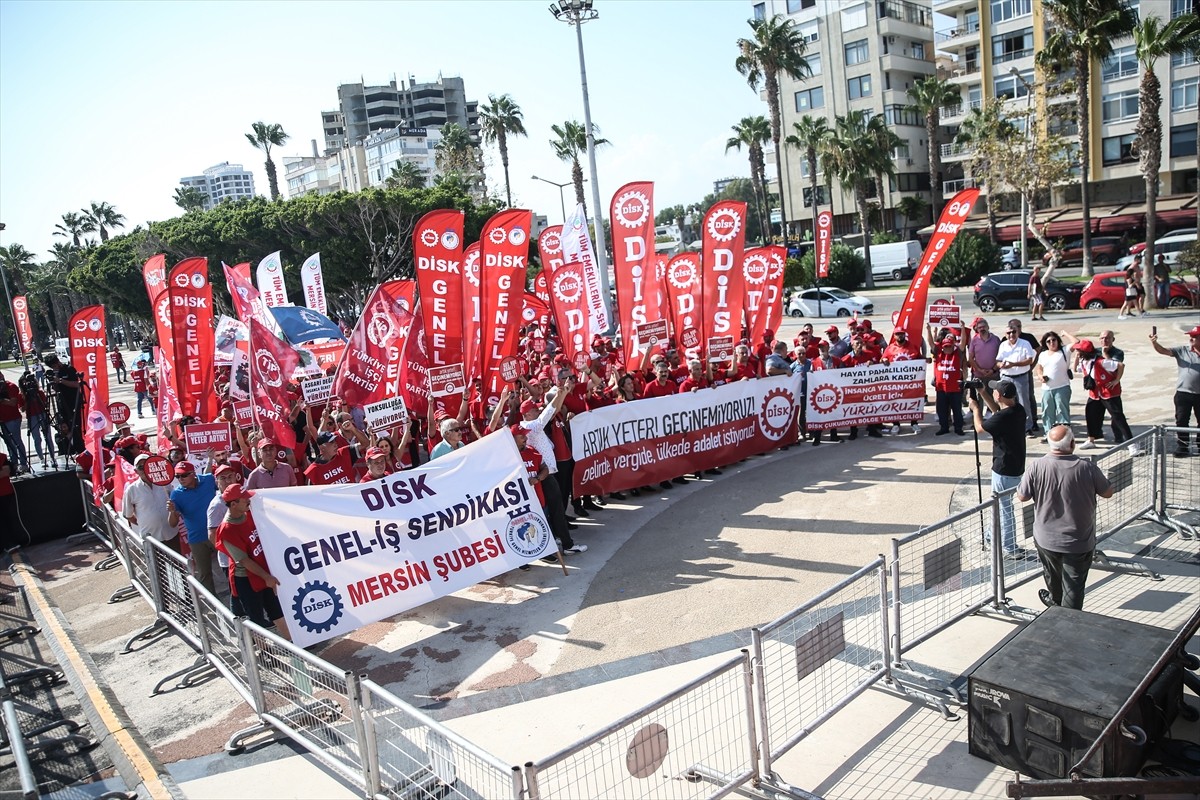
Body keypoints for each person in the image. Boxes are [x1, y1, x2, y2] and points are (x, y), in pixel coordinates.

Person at [1016, 425, 1114, 610]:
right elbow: (1107, 492)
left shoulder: (1036, 466)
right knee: (1074, 587)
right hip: (1079, 540)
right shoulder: (1087, 467)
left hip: (1046, 540)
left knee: (1053, 575)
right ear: (1072, 443)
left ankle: (1057, 604)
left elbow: (1022, 496)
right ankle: (1069, 619)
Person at [214, 483, 290, 640]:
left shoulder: (249, 514)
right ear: (233, 504)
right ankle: (263, 652)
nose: (249, 501)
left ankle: (294, 643)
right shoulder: (227, 529)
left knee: (276, 610)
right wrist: (266, 577)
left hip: (261, 572)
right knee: (255, 618)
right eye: (245, 500)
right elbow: (244, 561)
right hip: (246, 579)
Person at [969, 378, 1027, 554]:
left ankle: (1009, 547)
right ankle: (990, 535)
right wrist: (982, 392)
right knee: (1000, 505)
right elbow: (997, 412)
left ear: (1000, 396)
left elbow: (980, 428)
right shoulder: (1017, 410)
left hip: (1003, 469)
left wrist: (975, 408)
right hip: (1015, 466)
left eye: (994, 391)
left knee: (1004, 509)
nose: (993, 392)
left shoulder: (1004, 416)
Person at [167, 461, 218, 594]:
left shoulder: (208, 480)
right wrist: (172, 512)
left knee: (230, 567)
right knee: (204, 574)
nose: (180, 479)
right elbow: (172, 524)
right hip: (197, 540)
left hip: (218, 533)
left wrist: (210, 459)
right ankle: (213, 606)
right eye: (177, 476)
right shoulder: (176, 495)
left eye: (183, 475)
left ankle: (237, 602)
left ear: (193, 474)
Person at [1150, 324, 1200, 458]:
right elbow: (1163, 351)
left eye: (1194, 337)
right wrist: (1155, 343)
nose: (1191, 339)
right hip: (1183, 393)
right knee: (1182, 421)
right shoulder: (1182, 350)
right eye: (1191, 336)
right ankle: (1183, 446)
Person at [123, 453, 180, 553]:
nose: (145, 469)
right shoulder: (131, 490)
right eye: (141, 467)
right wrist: (142, 522)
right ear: (136, 471)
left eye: (147, 465)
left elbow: (175, 503)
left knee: (177, 566)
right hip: (151, 538)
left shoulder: (165, 483)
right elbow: (127, 515)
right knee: (157, 568)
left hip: (171, 533)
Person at [996, 323, 1038, 438]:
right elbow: (997, 361)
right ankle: (1008, 425)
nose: (1011, 335)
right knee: (1005, 402)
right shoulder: (1003, 345)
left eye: (1013, 332)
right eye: (1008, 333)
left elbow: (1029, 360)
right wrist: (1001, 365)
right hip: (1006, 377)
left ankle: (1027, 428)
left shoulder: (1025, 343)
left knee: (1024, 403)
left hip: (1021, 377)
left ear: (1017, 332)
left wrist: (1014, 364)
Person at [1034, 331, 1072, 436]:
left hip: (1062, 386)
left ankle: (1064, 433)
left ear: (1058, 340)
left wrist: (1066, 333)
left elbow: (1077, 342)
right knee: (1047, 412)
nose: (1051, 343)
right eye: (1048, 341)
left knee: (1062, 410)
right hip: (1047, 388)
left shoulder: (1064, 351)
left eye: (1053, 340)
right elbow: (1039, 369)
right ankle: (1048, 433)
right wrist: (1041, 376)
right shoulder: (1043, 354)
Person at [931, 333, 966, 436]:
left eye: (949, 346)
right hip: (941, 387)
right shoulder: (938, 353)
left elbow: (963, 343)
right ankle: (944, 427)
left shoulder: (957, 353)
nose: (947, 348)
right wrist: (930, 330)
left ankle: (958, 428)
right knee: (942, 409)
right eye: (945, 346)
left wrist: (963, 329)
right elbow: (931, 343)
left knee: (957, 409)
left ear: (953, 346)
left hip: (955, 387)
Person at [17, 372, 54, 468]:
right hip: (31, 416)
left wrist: (35, 396)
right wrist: (28, 398)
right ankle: (41, 459)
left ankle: (53, 458)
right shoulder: (21, 396)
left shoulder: (39, 392)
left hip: (42, 414)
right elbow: (22, 409)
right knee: (37, 438)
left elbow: (45, 404)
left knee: (48, 437)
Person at [967, 317, 1001, 410]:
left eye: (983, 326)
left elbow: (1000, 357)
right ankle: (979, 420)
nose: (982, 329)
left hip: (993, 374)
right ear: (977, 329)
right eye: (979, 327)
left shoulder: (996, 339)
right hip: (979, 375)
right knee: (979, 398)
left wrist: (993, 369)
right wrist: (979, 370)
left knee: (994, 396)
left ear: (988, 327)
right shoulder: (974, 340)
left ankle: (993, 417)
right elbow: (970, 358)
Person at [0, 378, 27, 474]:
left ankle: (23, 464)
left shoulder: (11, 386)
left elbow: (13, 403)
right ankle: (14, 465)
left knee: (16, 440)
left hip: (13, 418)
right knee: (9, 444)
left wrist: (2, 400)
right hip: (3, 420)